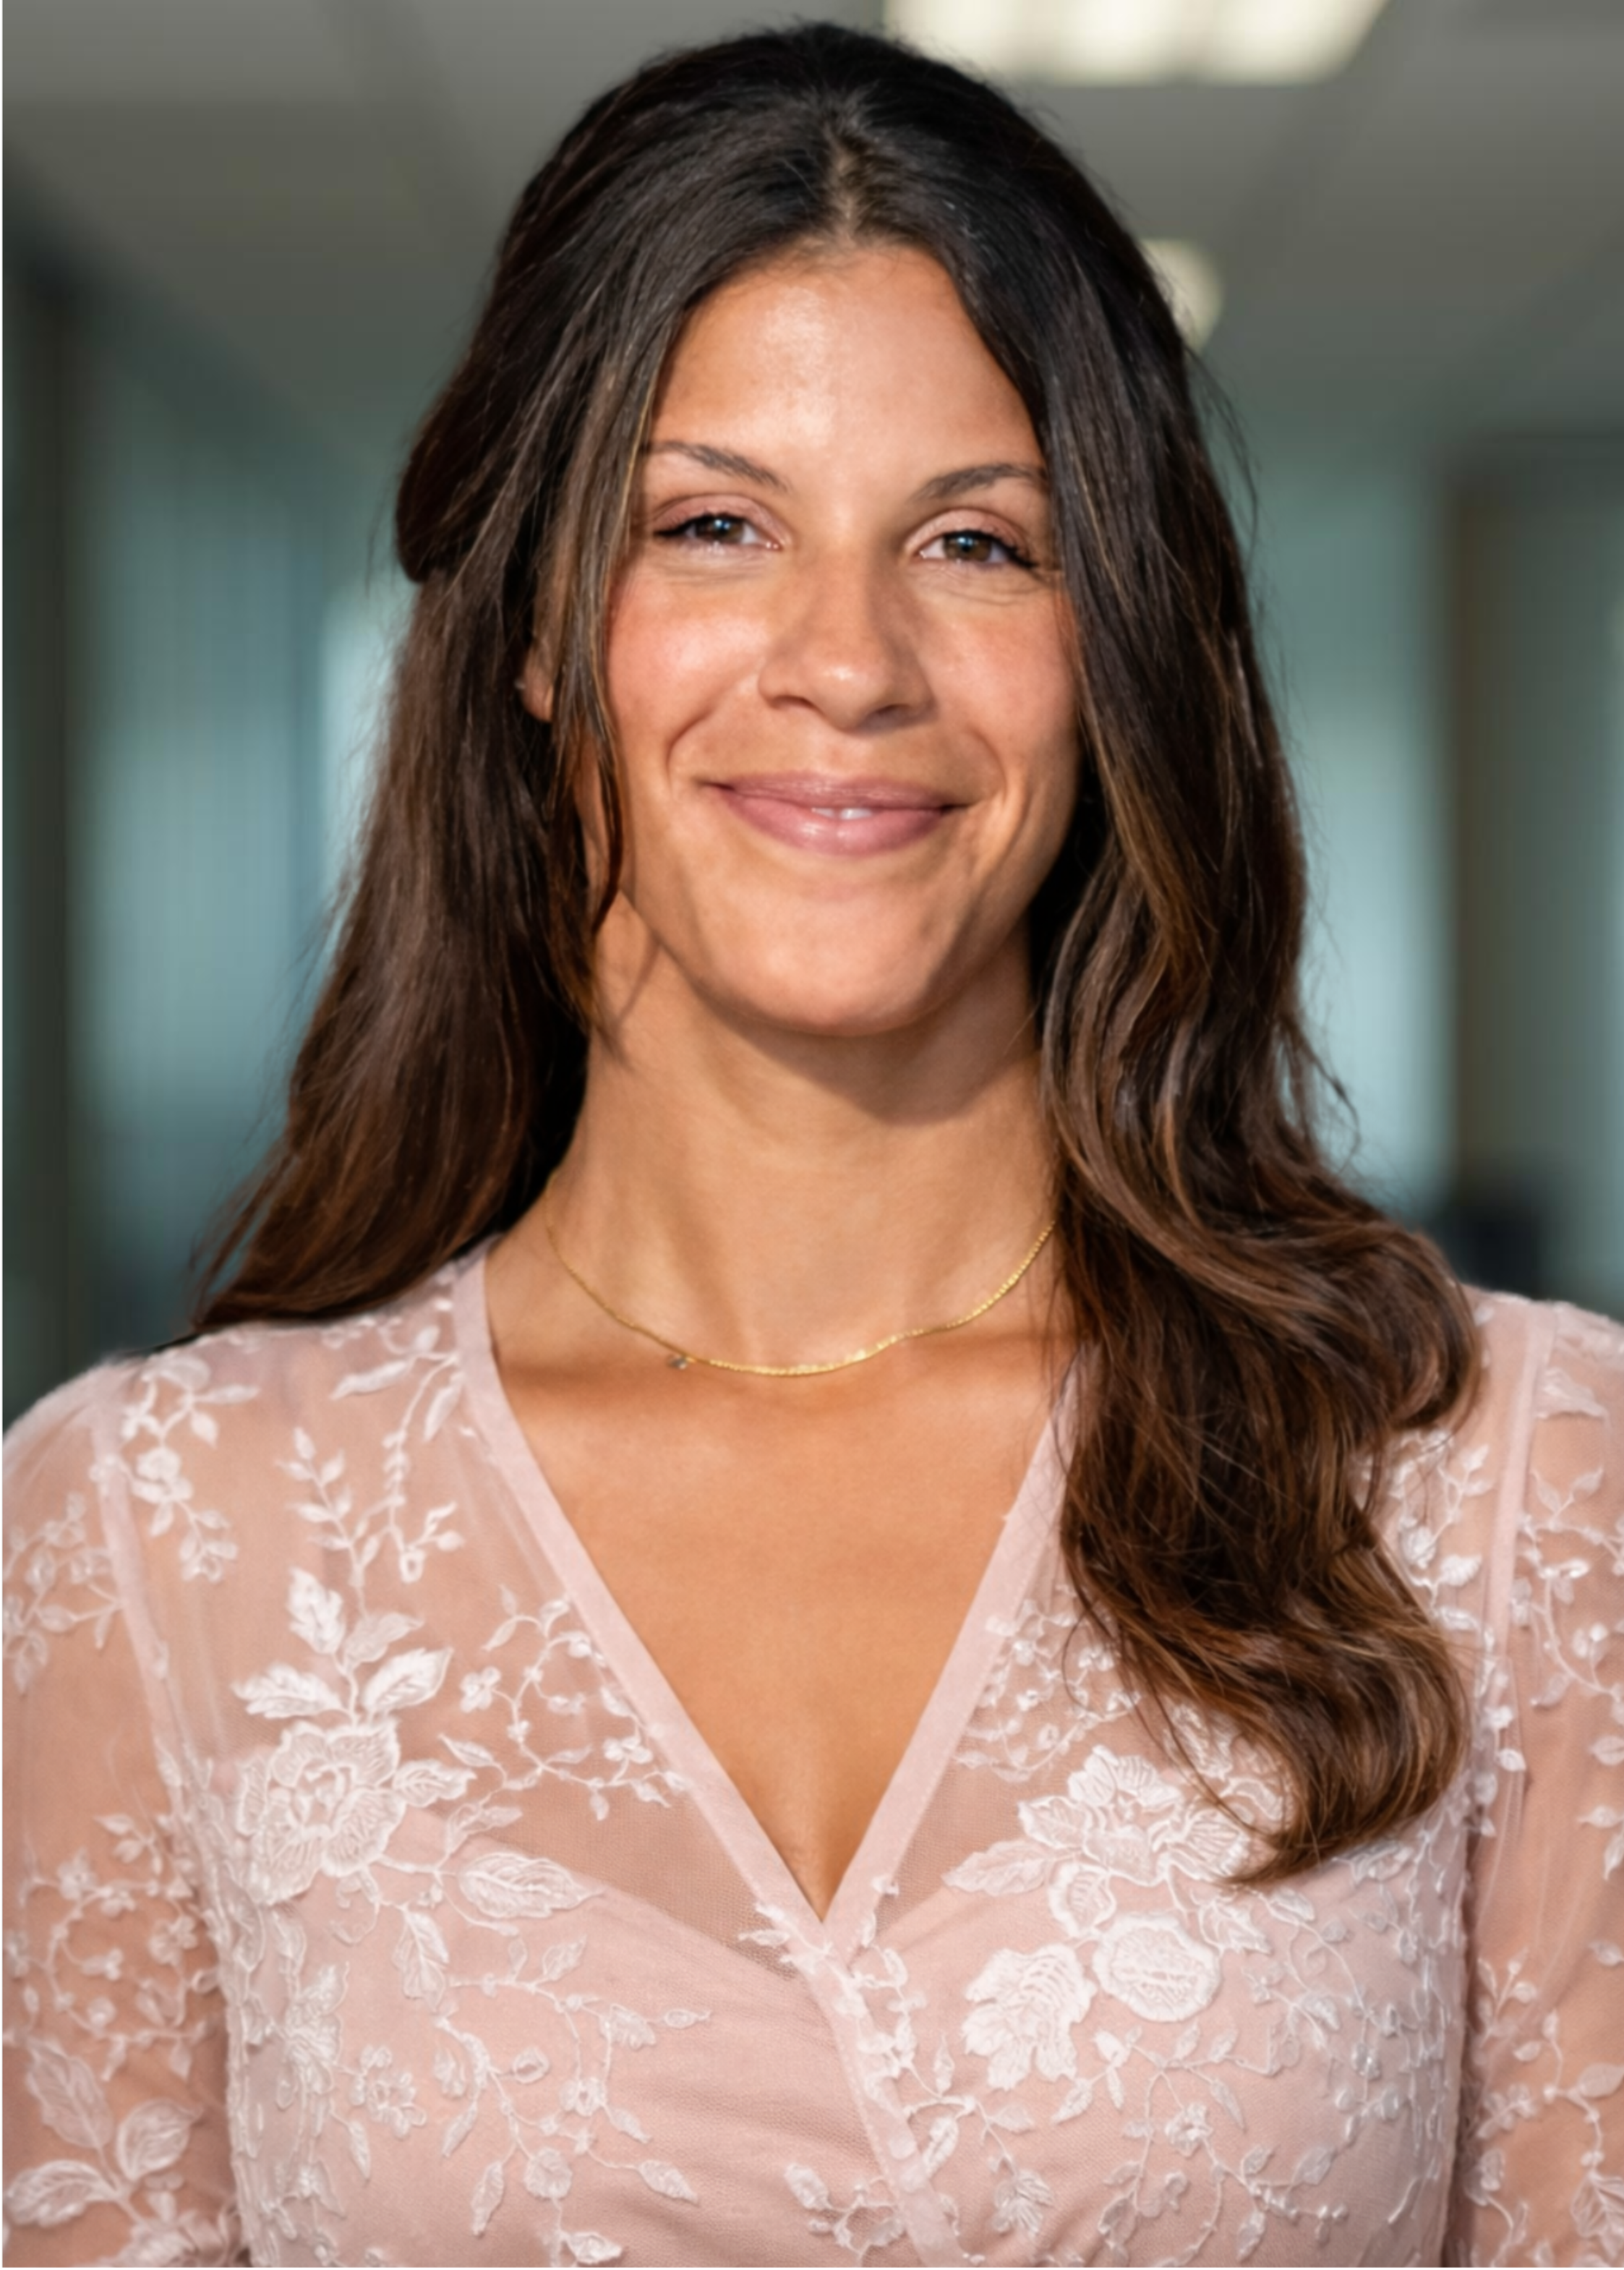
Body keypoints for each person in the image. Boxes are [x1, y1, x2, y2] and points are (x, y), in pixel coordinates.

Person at [4, 22, 1620, 2267]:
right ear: (541, 639)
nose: (845, 660)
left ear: (1112, 649)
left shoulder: (1504, 1478)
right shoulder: (148, 1538)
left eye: (974, 542)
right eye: (713, 526)